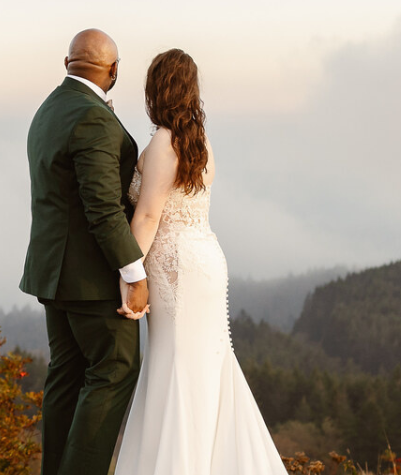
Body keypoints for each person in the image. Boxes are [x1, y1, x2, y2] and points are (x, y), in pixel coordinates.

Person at [112, 48, 288, 474]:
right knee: (205, 368)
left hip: (175, 268)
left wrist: (127, 275)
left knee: (176, 370)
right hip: (205, 259)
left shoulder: (161, 143)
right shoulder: (199, 141)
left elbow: (149, 214)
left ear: (156, 90)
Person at [20, 28, 151, 475]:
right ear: (113, 70)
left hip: (53, 276)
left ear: (67, 63)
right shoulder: (92, 118)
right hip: (90, 279)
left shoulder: (49, 109)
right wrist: (134, 272)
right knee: (114, 371)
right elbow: (101, 207)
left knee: (67, 378)